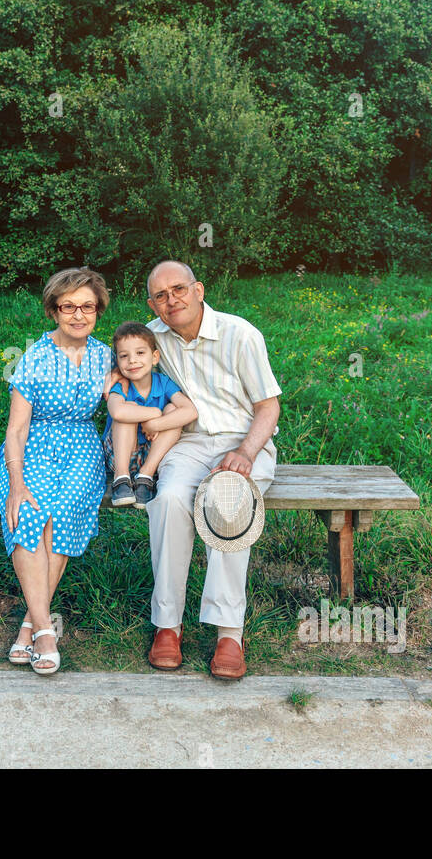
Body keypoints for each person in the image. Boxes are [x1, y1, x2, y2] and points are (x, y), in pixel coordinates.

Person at [123, 260, 282, 681]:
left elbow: (268, 406)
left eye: (178, 289)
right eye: (160, 295)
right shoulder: (152, 339)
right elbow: (120, 373)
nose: (171, 300)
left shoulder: (240, 334)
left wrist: (247, 451)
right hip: (187, 442)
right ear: (151, 304)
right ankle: (167, 625)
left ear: (198, 290)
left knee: (227, 503)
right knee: (171, 499)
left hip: (244, 440)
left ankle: (229, 632)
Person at [0, 267, 115, 675]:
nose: (78, 315)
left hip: (82, 447)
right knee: (27, 512)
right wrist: (15, 484)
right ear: (53, 310)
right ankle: (45, 630)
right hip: (33, 446)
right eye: (68, 307)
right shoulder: (35, 356)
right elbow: (17, 428)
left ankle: (30, 625)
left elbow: (134, 399)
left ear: (98, 310)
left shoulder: (104, 355)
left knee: (63, 512)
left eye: (87, 307)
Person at [102, 322, 197, 509]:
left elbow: (190, 411)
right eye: (124, 356)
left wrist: (156, 424)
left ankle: (145, 477)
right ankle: (121, 479)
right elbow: (117, 411)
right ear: (117, 362)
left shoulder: (163, 382)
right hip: (121, 454)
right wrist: (154, 412)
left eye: (140, 353)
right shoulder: (121, 386)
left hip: (153, 455)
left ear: (154, 357)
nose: (132, 361)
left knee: (173, 410)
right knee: (127, 409)